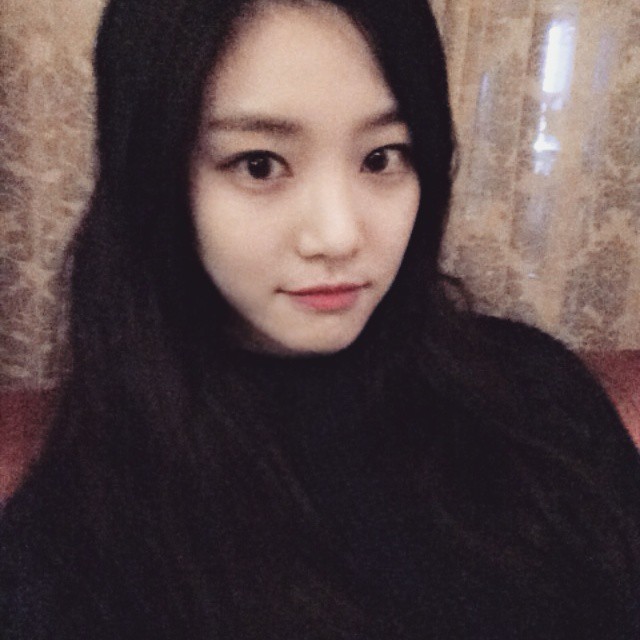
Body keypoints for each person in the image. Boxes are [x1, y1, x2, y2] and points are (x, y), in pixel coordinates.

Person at [1, 0, 639, 638]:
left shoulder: (539, 396)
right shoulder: (67, 558)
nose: (338, 236)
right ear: (151, 179)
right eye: (259, 164)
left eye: (382, 157)